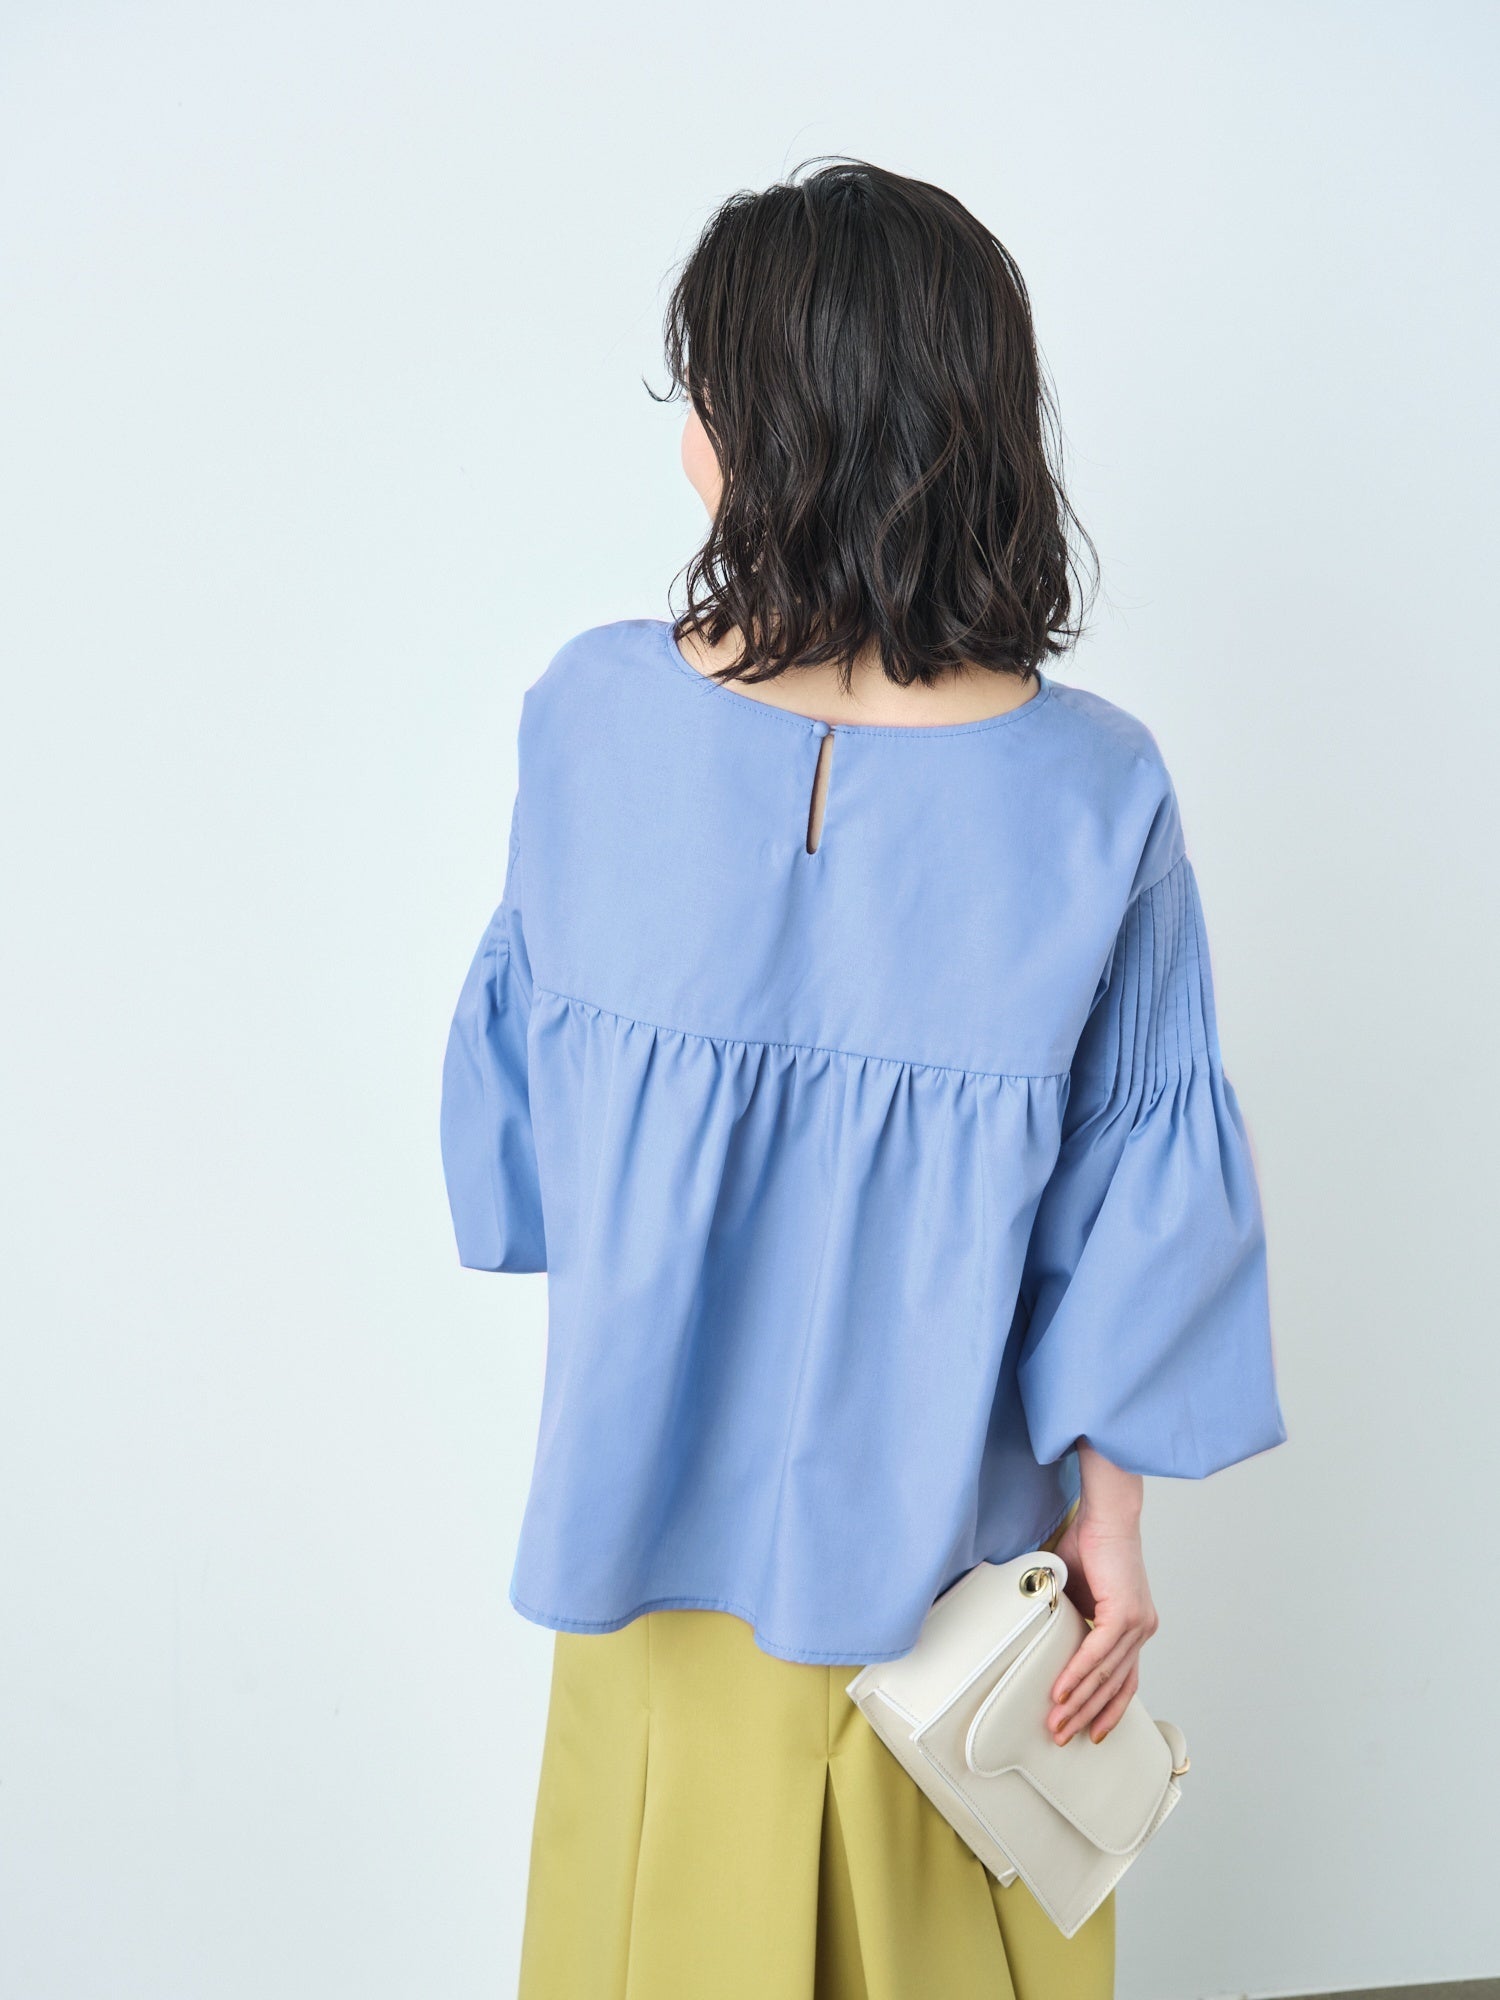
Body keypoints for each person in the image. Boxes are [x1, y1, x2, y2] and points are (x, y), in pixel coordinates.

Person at [439, 157, 1287, 2000]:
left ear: (771, 429)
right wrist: (1115, 1531)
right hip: (951, 1593)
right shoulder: (1097, 792)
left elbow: (525, 1151)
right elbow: (1132, 1208)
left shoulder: (588, 718)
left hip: (646, 1536)